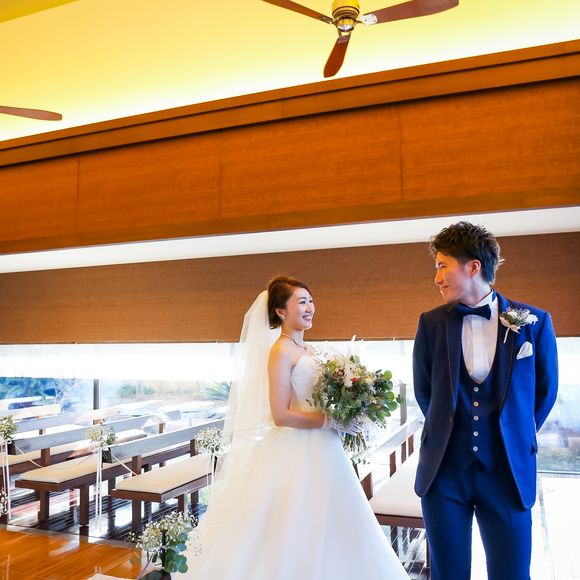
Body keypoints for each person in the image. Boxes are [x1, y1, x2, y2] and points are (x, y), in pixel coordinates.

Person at [179, 275, 409, 579]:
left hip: (326, 446)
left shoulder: (310, 350)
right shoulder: (280, 351)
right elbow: (280, 415)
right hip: (295, 447)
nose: (310, 307)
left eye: (311, 301)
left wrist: (347, 407)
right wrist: (330, 420)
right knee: (294, 522)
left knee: (336, 517)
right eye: (301, 302)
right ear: (280, 311)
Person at [412, 222, 558, 580]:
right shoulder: (430, 324)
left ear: (473, 266)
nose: (437, 278)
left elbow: (545, 391)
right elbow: (424, 391)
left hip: (507, 473)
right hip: (445, 473)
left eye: (442, 266)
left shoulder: (534, 323)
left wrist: (513, 432)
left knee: (512, 573)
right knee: (447, 574)